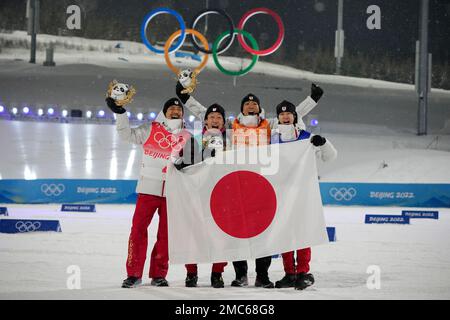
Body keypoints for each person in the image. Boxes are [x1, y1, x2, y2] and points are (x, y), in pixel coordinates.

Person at [177, 75, 324, 289]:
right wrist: (185, 96)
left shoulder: (269, 126)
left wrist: (313, 99)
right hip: (236, 186)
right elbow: (208, 117)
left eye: (254, 103)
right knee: (238, 233)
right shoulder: (230, 127)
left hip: (261, 186)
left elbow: (292, 115)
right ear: (242, 109)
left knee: (262, 232)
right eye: (247, 103)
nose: (251, 105)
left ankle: (262, 276)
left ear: (259, 108)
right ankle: (241, 274)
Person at [106, 94, 192, 288]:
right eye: (172, 109)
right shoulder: (149, 129)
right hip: (148, 189)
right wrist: (120, 113)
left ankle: (158, 274)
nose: (176, 111)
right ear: (164, 112)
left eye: (179, 109)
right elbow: (126, 135)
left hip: (172, 192)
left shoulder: (187, 137)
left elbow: (192, 164)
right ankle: (134, 274)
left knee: (166, 236)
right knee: (137, 231)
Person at [271, 100, 337, 290]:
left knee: (302, 235)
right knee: (284, 234)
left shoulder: (307, 137)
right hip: (281, 195)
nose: (285, 116)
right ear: (278, 118)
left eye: (289, 114)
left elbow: (330, 157)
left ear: (294, 116)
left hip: (302, 194)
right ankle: (289, 273)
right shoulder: (272, 139)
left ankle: (302, 272)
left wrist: (323, 143)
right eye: (282, 114)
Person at [173, 102, 229, 289]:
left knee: (221, 236)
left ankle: (217, 274)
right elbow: (183, 162)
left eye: (218, 118)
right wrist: (188, 160)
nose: (215, 120)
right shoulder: (194, 139)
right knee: (193, 235)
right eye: (211, 117)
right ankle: (191, 273)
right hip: (197, 195)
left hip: (222, 196)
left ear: (223, 122)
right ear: (205, 121)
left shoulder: (231, 141)